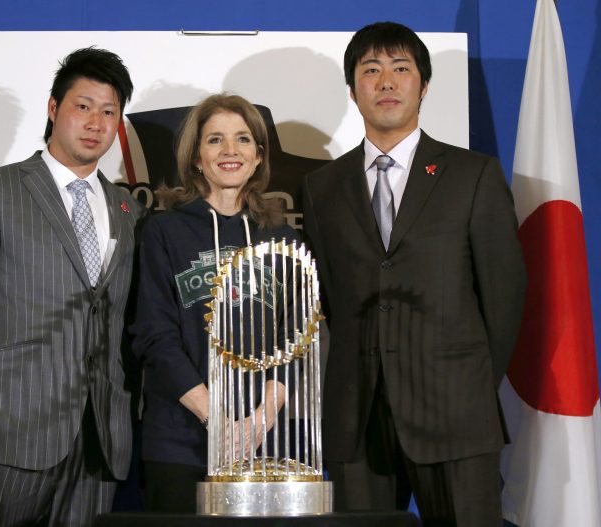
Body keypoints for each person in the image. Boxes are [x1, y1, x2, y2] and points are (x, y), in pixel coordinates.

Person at [302, 22, 526, 526]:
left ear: (423, 85)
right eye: (371, 70)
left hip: (455, 413)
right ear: (352, 88)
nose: (386, 82)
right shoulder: (322, 187)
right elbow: (327, 301)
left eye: (401, 69)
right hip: (357, 416)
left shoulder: (473, 175)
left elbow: (504, 297)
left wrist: (466, 383)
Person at [0, 47, 146, 526]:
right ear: (54, 109)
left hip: (98, 442)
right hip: (3, 435)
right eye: (83, 106)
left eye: (109, 112)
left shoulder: (127, 211)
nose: (95, 122)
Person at [130, 94, 298, 513]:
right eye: (215, 140)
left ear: (259, 157)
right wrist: (217, 419)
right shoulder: (162, 231)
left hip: (268, 437)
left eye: (243, 140)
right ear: (196, 157)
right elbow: (155, 334)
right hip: (181, 438)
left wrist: (260, 419)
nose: (230, 151)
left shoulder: (282, 237)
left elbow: (297, 334)